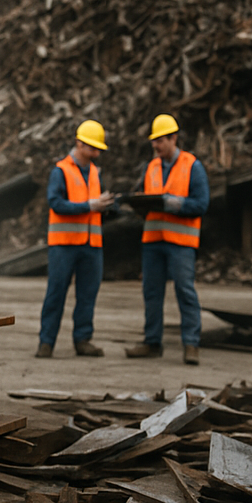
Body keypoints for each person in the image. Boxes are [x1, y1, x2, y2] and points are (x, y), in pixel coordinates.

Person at [126, 114, 209, 365]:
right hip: (153, 240)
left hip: (180, 242)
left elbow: (201, 204)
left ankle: (191, 344)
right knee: (151, 292)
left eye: (160, 140)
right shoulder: (151, 167)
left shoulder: (192, 166)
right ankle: (152, 342)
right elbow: (144, 195)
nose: (156, 145)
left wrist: (172, 203)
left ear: (174, 139)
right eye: (154, 141)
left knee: (185, 291)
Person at [37, 120, 117, 358]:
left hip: (91, 245)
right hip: (64, 245)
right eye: (92, 148)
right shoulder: (60, 171)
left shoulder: (94, 173)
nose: (96, 153)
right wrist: (89, 205)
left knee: (87, 294)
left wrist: (108, 205)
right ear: (79, 144)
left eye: (98, 149)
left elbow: (95, 204)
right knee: (56, 293)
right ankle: (46, 342)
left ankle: (83, 339)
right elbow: (56, 203)